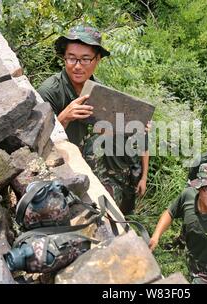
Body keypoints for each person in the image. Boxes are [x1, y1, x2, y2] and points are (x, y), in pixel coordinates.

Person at [37, 25, 149, 215]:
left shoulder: (99, 91)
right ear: (64, 58)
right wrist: (63, 118)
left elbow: (105, 132)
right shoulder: (49, 92)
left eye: (86, 59)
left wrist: (136, 126)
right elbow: (37, 144)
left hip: (94, 164)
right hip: (63, 170)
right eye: (71, 58)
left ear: (97, 60)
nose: (77, 65)